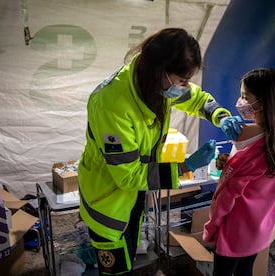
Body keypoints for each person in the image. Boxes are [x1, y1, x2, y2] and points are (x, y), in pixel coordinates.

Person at [77, 27, 242, 275]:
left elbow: (194, 98)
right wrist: (185, 166)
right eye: (181, 80)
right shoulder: (113, 105)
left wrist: (219, 116)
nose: (184, 86)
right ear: (160, 71)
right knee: (116, 267)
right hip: (108, 200)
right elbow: (128, 176)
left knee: (128, 256)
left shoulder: (155, 84)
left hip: (132, 197)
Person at [203, 68, 275, 276]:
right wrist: (229, 163)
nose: (240, 101)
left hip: (234, 231)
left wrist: (212, 227)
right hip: (259, 228)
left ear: (261, 103)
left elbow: (225, 199)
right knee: (246, 271)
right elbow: (259, 183)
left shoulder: (251, 148)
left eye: (245, 97)